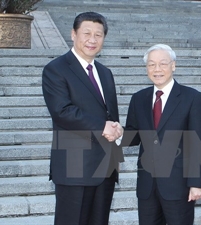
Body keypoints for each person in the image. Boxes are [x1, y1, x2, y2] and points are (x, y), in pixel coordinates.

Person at [42, 12, 124, 225]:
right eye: (86, 33)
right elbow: (62, 111)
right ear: (73, 34)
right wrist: (102, 127)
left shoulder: (105, 73)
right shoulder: (56, 69)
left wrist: (116, 129)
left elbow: (108, 114)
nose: (92, 39)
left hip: (105, 166)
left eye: (98, 35)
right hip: (74, 166)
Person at [122, 44, 201, 225]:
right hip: (147, 186)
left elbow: (197, 143)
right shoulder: (138, 98)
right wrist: (116, 134)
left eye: (162, 63)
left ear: (173, 65)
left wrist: (197, 182)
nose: (157, 69)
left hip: (178, 186)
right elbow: (134, 135)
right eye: (151, 65)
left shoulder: (192, 98)